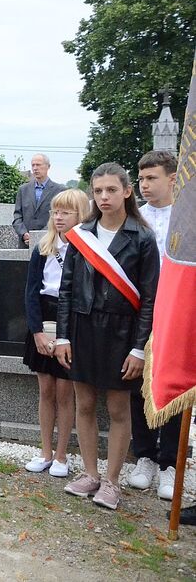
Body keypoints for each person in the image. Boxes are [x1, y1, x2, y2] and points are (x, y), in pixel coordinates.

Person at [55, 162, 160, 510]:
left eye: (111, 190)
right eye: (97, 190)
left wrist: (139, 348)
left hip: (122, 332)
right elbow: (66, 290)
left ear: (127, 192)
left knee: (117, 408)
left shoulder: (142, 238)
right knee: (84, 403)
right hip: (83, 329)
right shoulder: (82, 235)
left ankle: (112, 481)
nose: (103, 197)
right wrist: (63, 337)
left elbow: (149, 299)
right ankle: (90, 473)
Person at [22, 189, 90, 478]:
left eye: (66, 212)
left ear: (81, 214)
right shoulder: (43, 247)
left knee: (65, 393)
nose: (59, 217)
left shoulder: (88, 249)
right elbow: (30, 292)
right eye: (55, 211)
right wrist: (37, 331)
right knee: (45, 391)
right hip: (43, 320)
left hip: (71, 323)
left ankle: (63, 455)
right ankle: (46, 452)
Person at [127, 149, 181, 499]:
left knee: (174, 385)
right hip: (139, 312)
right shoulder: (136, 220)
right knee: (138, 383)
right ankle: (144, 455)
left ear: (173, 178)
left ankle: (170, 461)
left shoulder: (187, 219)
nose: (144, 185)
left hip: (177, 311)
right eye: (141, 179)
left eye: (152, 178)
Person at [13, 154, 65, 248]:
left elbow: (58, 215)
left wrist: (39, 236)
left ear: (48, 166)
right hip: (25, 243)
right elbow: (17, 215)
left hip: (49, 242)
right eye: (33, 165)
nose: (35, 168)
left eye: (38, 165)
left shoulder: (59, 190)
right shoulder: (23, 189)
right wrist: (24, 233)